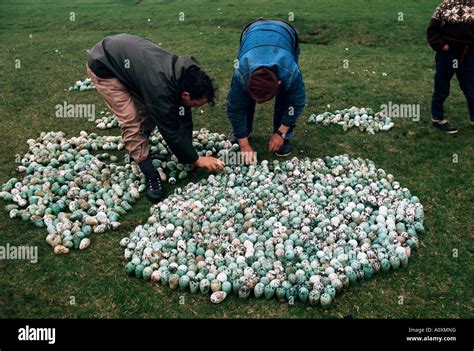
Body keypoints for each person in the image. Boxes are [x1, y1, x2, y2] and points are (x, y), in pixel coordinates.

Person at [87, 34, 224, 202]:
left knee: (148, 112)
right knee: (131, 120)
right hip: (104, 65)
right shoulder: (160, 88)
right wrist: (196, 158)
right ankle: (149, 172)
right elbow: (170, 129)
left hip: (128, 61)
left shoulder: (185, 74)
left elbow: (183, 115)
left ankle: (137, 148)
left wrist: (189, 156)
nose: (194, 109)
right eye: (196, 105)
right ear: (186, 94)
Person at [226, 19, 307, 163]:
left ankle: (284, 136)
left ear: (279, 82)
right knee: (242, 100)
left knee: (286, 97)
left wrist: (281, 132)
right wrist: (243, 144)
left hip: (285, 32)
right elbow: (235, 108)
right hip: (251, 33)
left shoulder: (290, 72)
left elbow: (296, 103)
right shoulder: (241, 74)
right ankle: (243, 132)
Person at [427, 0, 474, 134]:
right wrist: (441, 46)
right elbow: (432, 31)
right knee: (442, 85)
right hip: (447, 54)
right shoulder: (445, 6)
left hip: (468, 53)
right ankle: (437, 118)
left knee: (471, 86)